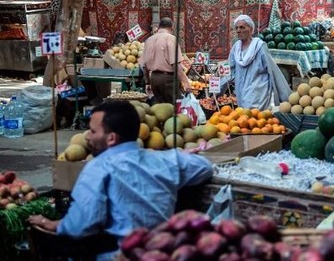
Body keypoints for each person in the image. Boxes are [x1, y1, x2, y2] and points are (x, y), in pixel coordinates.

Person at [28, 101, 214, 260]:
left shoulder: (98, 168)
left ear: (111, 138)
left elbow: (80, 226)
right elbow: (204, 167)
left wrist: (49, 223)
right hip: (163, 251)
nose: (87, 136)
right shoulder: (166, 160)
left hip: (122, 254)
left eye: (92, 131)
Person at [227, 14, 291, 110]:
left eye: (242, 27)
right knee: (243, 119)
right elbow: (229, 70)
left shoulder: (260, 46)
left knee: (256, 119)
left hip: (257, 91)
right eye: (236, 28)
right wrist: (217, 90)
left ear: (251, 29)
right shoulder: (236, 48)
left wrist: (286, 97)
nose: (238, 30)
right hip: (241, 90)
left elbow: (273, 70)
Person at [140, 17, 191, 104]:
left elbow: (144, 65)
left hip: (154, 78)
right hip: (168, 80)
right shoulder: (171, 38)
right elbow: (175, 64)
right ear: (172, 27)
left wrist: (147, 82)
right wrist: (185, 82)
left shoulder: (149, 40)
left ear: (159, 27)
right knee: (174, 108)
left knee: (160, 108)